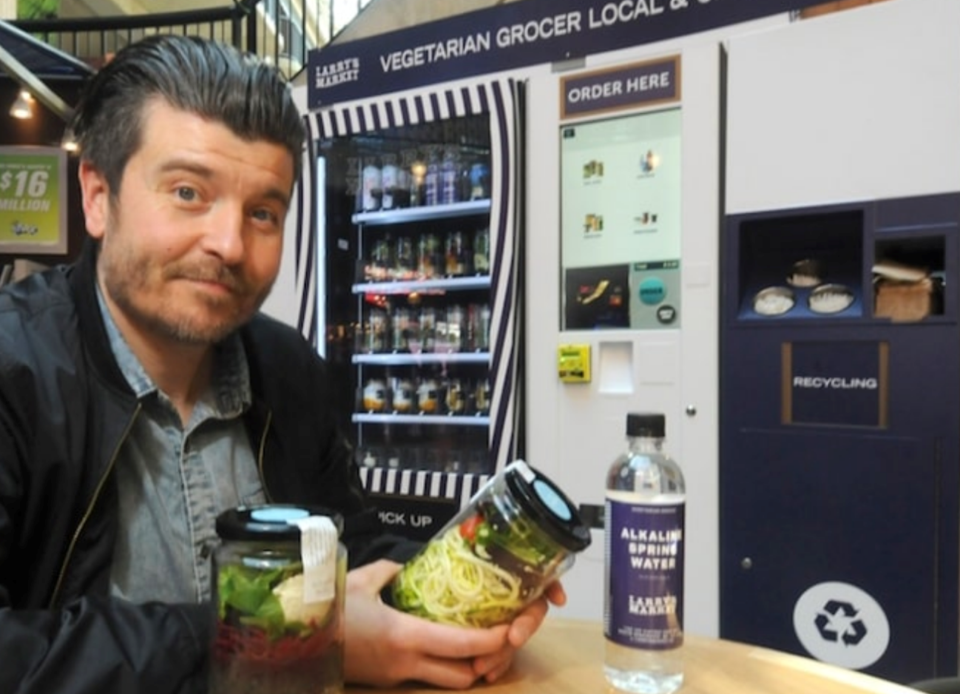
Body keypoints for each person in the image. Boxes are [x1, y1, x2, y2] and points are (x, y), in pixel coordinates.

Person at [0, 34, 562, 694]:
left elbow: (353, 551)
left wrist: (469, 596)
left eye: (263, 212)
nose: (230, 244)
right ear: (98, 195)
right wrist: (302, 639)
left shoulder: (287, 369)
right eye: (188, 192)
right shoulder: (17, 372)